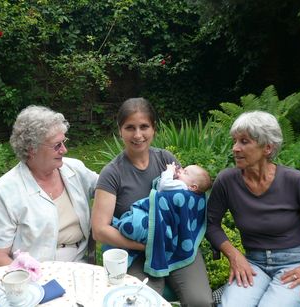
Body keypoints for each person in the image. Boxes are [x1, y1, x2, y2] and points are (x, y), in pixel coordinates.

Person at [205, 111, 300, 306]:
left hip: (296, 263)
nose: (235, 148)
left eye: (244, 142)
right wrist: (234, 255)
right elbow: (211, 224)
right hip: (253, 263)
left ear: (268, 148)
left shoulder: (293, 180)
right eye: (235, 141)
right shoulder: (227, 181)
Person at [92, 97, 214, 306]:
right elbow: (100, 230)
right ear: (120, 130)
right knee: (141, 302)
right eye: (130, 127)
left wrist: (174, 236)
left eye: (144, 127)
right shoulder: (112, 173)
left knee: (200, 301)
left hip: (176, 246)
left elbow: (184, 201)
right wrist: (147, 245)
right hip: (137, 251)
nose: (138, 135)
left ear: (153, 129)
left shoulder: (165, 159)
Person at [0, 105, 98, 269]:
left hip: (75, 263)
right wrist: (33, 280)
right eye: (57, 145)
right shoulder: (5, 192)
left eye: (64, 142)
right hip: (27, 274)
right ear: (32, 149)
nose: (64, 150)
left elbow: (108, 187)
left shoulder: (75, 170)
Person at [113, 162, 212, 245]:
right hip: (161, 218)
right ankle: (123, 224)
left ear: (193, 187)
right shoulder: (186, 189)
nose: (180, 171)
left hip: (158, 217)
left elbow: (163, 186)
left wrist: (169, 171)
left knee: (135, 224)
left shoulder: (181, 186)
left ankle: (120, 224)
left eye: (185, 172)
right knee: (134, 222)